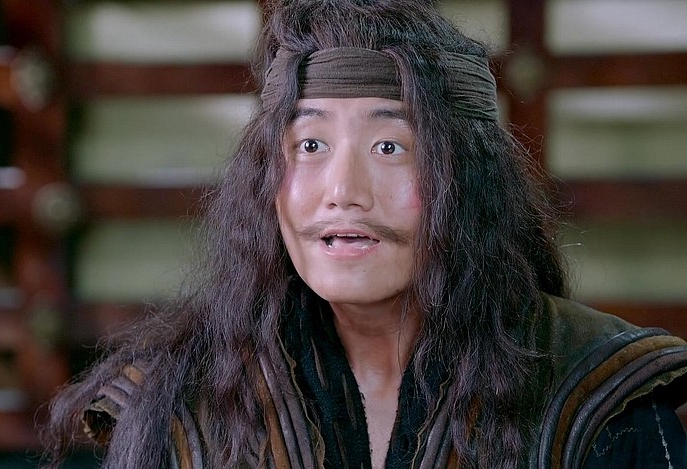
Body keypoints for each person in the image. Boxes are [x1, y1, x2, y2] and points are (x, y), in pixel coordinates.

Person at [41, 1, 687, 467]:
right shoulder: (178, 400)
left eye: (389, 146)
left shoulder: (595, 392)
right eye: (310, 144)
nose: (342, 190)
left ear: (470, 182)